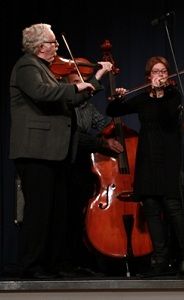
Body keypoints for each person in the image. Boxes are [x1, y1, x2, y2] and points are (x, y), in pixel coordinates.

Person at [9, 23, 113, 279]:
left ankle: (51, 264)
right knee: (39, 212)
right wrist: (75, 87)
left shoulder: (45, 69)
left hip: (53, 152)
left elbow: (72, 98)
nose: (57, 47)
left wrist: (95, 79)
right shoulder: (27, 66)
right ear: (39, 46)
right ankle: (30, 266)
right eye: (53, 43)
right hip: (36, 151)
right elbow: (43, 93)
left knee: (55, 213)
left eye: (56, 42)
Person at [111, 56, 184, 276]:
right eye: (156, 72)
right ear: (149, 76)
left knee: (174, 209)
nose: (161, 75)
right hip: (147, 159)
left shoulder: (174, 96)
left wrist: (160, 93)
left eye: (164, 72)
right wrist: (118, 97)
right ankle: (159, 259)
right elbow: (113, 111)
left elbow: (168, 118)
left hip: (168, 159)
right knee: (151, 208)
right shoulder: (141, 99)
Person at [64, 72, 123, 276]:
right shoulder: (65, 105)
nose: (80, 86)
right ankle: (68, 261)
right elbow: (74, 136)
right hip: (66, 163)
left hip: (84, 166)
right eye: (74, 83)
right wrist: (102, 143)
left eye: (81, 81)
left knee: (82, 214)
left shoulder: (88, 107)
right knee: (69, 214)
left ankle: (84, 259)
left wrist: (118, 106)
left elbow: (107, 125)